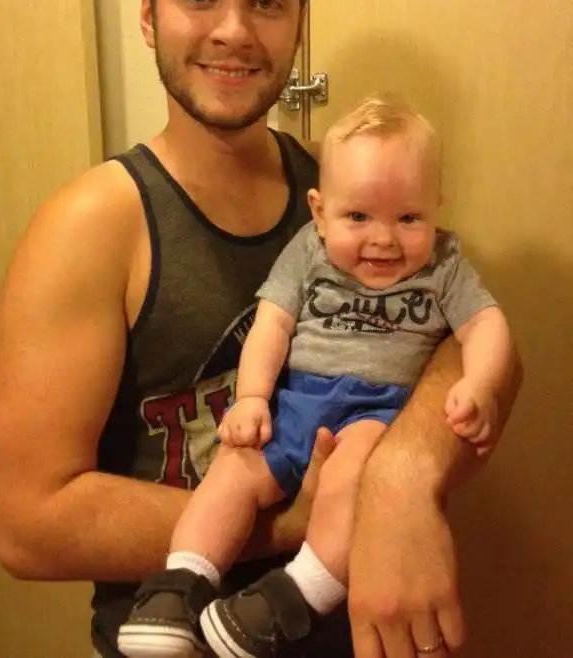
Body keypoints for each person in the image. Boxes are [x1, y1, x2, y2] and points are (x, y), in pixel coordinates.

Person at [0, 0, 522, 658]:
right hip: (171, 638)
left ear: (298, 22)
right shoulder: (91, 226)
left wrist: (401, 478)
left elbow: (466, 343)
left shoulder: (346, 196)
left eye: (266, 0)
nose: (234, 29)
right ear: (148, 14)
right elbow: (29, 526)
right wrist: (315, 514)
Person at [116, 95, 517, 658]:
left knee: (351, 479)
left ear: (436, 209)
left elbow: (486, 325)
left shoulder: (444, 264)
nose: (383, 238)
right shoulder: (309, 251)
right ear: (320, 212)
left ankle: (293, 598)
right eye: (358, 217)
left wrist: (479, 385)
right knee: (235, 468)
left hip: (378, 411)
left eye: (408, 218)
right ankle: (178, 586)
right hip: (297, 401)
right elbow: (272, 324)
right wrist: (252, 398)